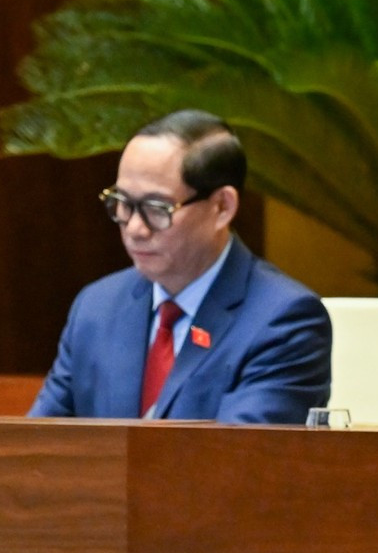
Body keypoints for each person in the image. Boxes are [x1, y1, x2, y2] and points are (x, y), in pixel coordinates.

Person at [29, 111, 331, 423]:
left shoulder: (283, 321)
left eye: (156, 208)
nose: (134, 228)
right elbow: (39, 446)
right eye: (122, 202)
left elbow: (241, 459)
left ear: (222, 207)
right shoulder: (97, 308)